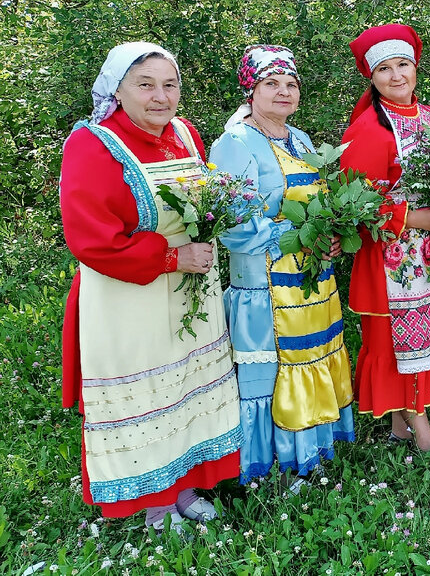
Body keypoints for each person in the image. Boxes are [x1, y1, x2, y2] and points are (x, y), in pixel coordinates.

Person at [60, 42, 240, 529]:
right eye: (145, 85)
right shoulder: (93, 144)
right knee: (151, 394)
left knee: (185, 387)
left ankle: (183, 487)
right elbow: (91, 239)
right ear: (117, 91)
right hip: (130, 295)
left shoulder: (184, 133)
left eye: (170, 84)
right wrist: (171, 256)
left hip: (190, 290)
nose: (161, 97)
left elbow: (206, 203)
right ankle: (154, 503)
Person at [211, 45, 354, 483]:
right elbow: (231, 225)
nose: (284, 92)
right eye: (271, 83)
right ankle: (270, 467)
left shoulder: (301, 140)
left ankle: (313, 449)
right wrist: (294, 237)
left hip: (310, 278)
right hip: (266, 285)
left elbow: (319, 204)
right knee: (273, 371)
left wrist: (329, 237)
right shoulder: (234, 144)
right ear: (251, 90)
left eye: (291, 84)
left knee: (312, 355)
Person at [342, 24, 430, 451]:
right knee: (398, 341)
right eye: (385, 69)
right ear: (372, 77)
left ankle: (402, 425)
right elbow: (358, 203)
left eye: (403, 64)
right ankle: (420, 429)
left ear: (415, 67)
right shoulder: (369, 129)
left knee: (427, 336)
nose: (396, 75)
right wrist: (419, 218)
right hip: (396, 254)